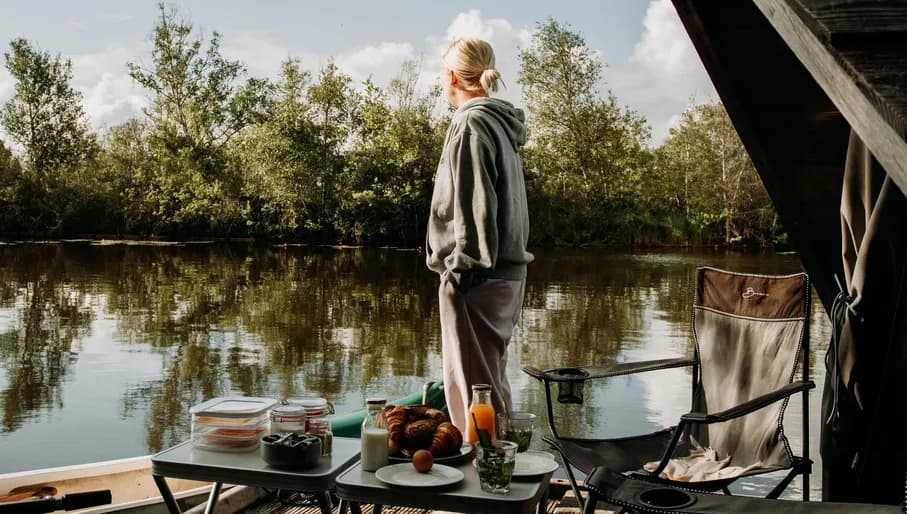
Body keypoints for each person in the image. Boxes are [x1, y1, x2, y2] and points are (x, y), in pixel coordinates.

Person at [426, 37, 533, 434]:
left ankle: (487, 483)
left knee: (476, 395)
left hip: (478, 278)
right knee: (490, 387)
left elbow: (476, 208)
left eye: (443, 73)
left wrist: (459, 271)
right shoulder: (500, 123)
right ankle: (500, 475)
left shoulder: (472, 122)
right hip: (506, 274)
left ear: (452, 75)